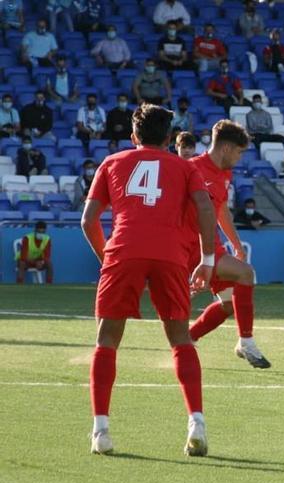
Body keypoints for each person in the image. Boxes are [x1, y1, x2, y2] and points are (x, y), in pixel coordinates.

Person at [80, 103, 215, 456]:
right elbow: (205, 207)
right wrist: (207, 259)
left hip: (123, 250)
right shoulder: (184, 167)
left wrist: (107, 256)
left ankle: (101, 431)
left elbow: (88, 220)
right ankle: (196, 422)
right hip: (170, 254)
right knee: (180, 338)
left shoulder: (111, 163)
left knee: (107, 339)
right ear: (170, 138)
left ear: (133, 136)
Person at [185, 119, 271, 369]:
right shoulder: (191, 169)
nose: (240, 157)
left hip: (214, 246)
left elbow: (221, 210)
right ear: (225, 149)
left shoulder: (224, 172)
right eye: (239, 151)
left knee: (229, 302)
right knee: (246, 274)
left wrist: (237, 244)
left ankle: (188, 338)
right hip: (192, 246)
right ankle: (246, 342)